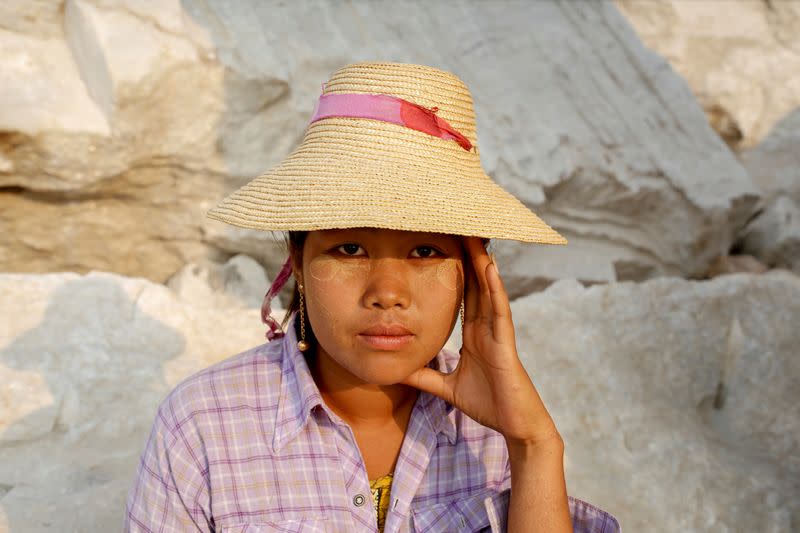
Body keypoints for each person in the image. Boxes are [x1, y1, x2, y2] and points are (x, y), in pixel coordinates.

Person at [124, 61, 621, 532]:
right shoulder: (203, 426)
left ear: (473, 269)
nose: (387, 293)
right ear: (297, 258)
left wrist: (533, 444)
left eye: (425, 251)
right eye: (351, 248)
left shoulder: (497, 426)